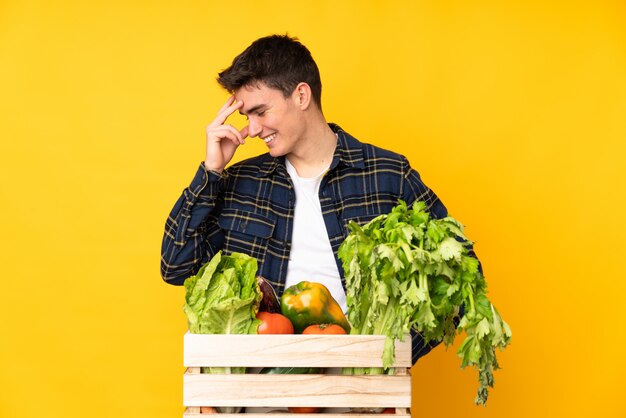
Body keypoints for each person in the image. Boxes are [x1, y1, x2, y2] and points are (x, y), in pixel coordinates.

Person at [161, 34, 452, 363]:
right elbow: (175, 266)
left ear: (301, 95)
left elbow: (456, 280)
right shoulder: (240, 182)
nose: (252, 130)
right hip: (258, 388)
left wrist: (387, 359)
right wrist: (212, 172)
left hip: (359, 392)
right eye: (246, 118)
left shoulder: (387, 174)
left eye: (260, 112)